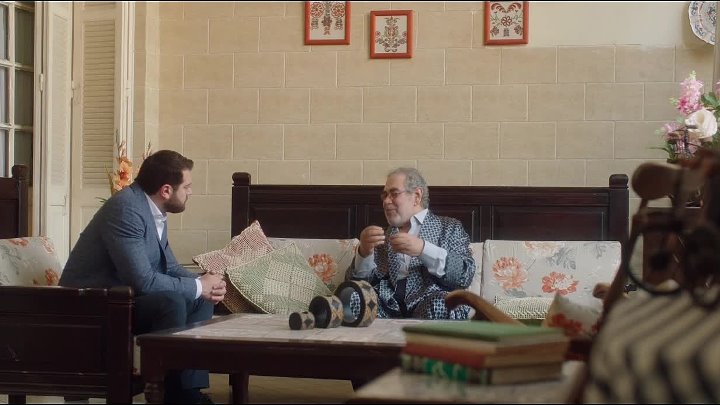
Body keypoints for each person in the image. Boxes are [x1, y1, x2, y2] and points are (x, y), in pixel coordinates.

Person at [60, 150, 225, 404]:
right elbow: (143, 281)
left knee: (200, 299)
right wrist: (197, 286)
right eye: (187, 187)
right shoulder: (126, 208)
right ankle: (173, 394)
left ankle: (187, 392)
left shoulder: (154, 209)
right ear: (166, 190)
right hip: (92, 304)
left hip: (123, 298)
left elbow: (168, 266)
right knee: (172, 302)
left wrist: (206, 284)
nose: (190, 192)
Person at [350, 167, 475, 319]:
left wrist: (423, 249)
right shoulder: (381, 236)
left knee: (441, 304)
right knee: (354, 298)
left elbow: (464, 274)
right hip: (387, 308)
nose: (386, 201)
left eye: (394, 194)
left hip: (431, 304)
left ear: (416, 196)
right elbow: (361, 285)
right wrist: (364, 252)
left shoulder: (449, 227)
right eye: (384, 195)